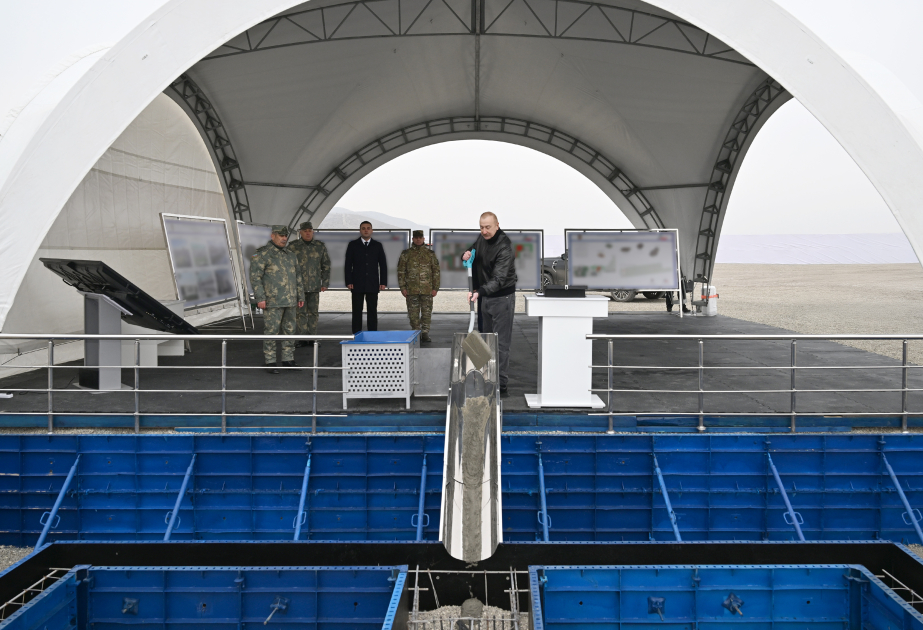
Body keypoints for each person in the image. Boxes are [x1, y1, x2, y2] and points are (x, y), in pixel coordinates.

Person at [462, 212, 517, 395]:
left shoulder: (505, 247)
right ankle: (485, 377)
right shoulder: (481, 238)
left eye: (488, 227)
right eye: (481, 227)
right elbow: (472, 251)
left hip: (502, 298)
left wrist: (479, 292)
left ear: (497, 225)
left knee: (500, 342)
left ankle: (501, 384)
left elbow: (499, 279)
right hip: (484, 296)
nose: (484, 231)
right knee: (484, 339)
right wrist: (466, 254)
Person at [249, 225, 304, 374]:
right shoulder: (263, 254)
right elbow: (255, 278)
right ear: (272, 236)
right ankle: (270, 361)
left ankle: (288, 358)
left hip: (291, 300)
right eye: (280, 235)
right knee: (271, 332)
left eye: (285, 235)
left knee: (290, 330)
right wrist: (260, 298)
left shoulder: (290, 255)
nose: (284, 238)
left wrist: (301, 295)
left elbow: (298, 276)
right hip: (272, 301)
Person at [288, 221, 331, 345]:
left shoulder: (319, 246)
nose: (308, 233)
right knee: (300, 313)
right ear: (300, 232)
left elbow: (326, 265)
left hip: (314, 285)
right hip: (299, 287)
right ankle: (302, 339)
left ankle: (312, 338)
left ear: (313, 231)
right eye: (305, 231)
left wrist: (325, 283)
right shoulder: (293, 247)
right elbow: (288, 267)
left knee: (313, 313)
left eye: (310, 231)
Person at [344, 221, 387, 334]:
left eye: (368, 228)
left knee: (372, 311)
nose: (366, 230)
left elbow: (382, 265)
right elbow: (348, 264)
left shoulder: (377, 245)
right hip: (356, 283)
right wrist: (348, 281)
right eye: (363, 228)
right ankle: (357, 334)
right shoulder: (353, 244)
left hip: (372, 283)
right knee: (357, 311)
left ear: (372, 230)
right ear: (360, 230)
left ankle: (372, 334)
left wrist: (383, 282)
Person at [398, 229, 440, 342]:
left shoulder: (430, 254)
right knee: (413, 314)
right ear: (412, 239)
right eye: (416, 237)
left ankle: (425, 333)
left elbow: (436, 271)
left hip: (427, 289)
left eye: (420, 237)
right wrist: (402, 287)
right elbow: (401, 272)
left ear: (423, 239)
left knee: (426, 313)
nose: (418, 239)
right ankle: (416, 332)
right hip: (411, 290)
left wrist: (435, 288)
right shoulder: (406, 254)